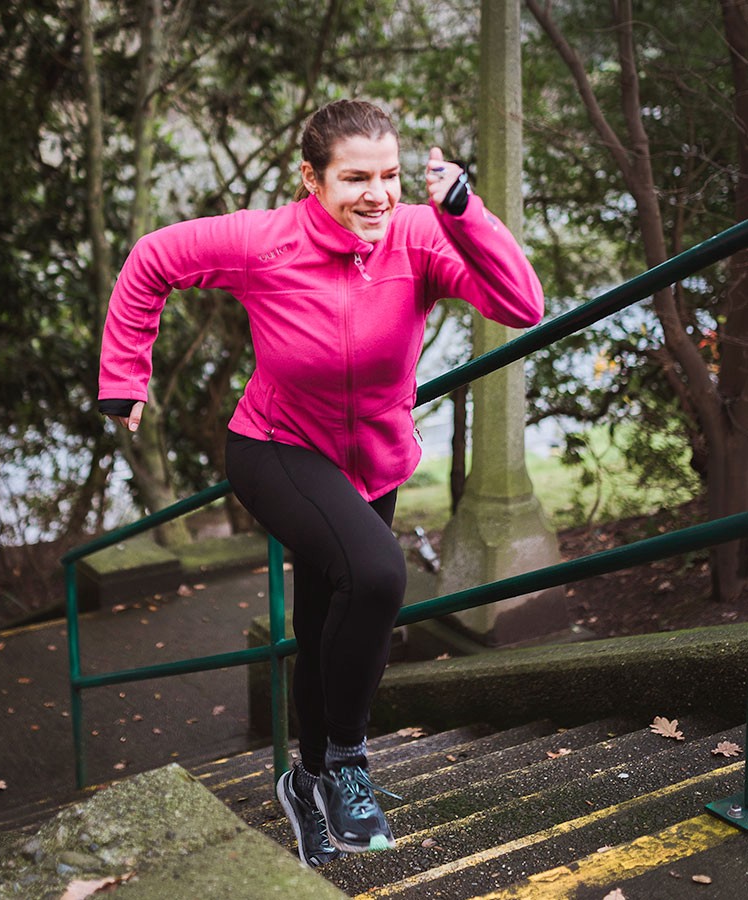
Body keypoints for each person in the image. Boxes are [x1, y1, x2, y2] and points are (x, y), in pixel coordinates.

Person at [97, 99, 544, 866]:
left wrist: (464, 211)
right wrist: (124, 373)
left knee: (325, 624)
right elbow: (152, 259)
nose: (377, 193)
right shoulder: (263, 240)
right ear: (312, 178)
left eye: (391, 176)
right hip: (276, 447)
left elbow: (520, 305)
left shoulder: (419, 235)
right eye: (355, 178)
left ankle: (305, 781)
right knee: (377, 574)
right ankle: (346, 761)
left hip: (372, 461)